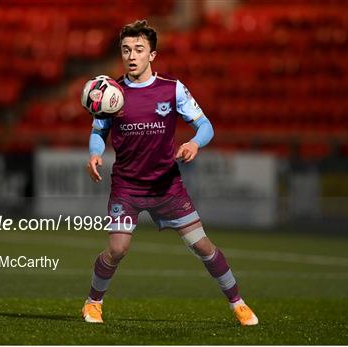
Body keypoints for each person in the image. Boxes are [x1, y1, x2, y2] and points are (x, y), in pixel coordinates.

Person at [81, 20, 258, 326]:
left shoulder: (172, 89)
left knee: (202, 245)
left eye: (138, 49)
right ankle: (93, 302)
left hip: (167, 187)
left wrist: (194, 142)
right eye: (126, 50)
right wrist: (95, 153)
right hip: (127, 187)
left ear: (152, 54)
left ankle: (238, 303)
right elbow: (98, 130)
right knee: (117, 248)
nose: (131, 56)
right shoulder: (111, 93)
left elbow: (206, 126)